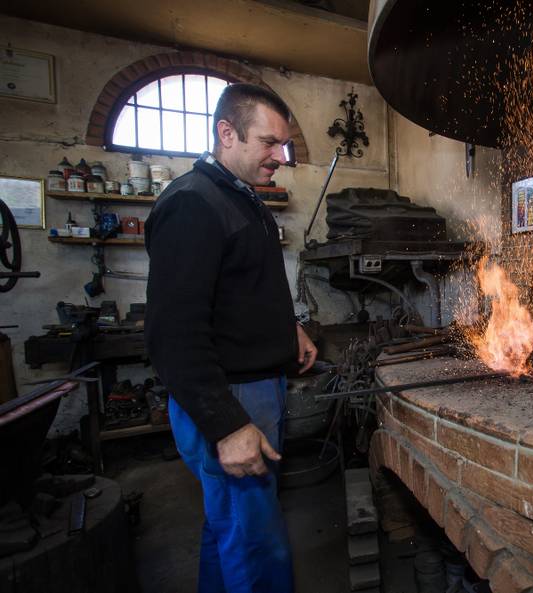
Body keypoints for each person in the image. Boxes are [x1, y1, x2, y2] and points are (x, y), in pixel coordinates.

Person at [145, 83, 317, 593]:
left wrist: (287, 328)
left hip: (255, 388)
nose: (280, 157)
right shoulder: (193, 205)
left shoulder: (237, 197)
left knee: (228, 527)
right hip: (231, 399)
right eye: (268, 142)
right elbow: (174, 334)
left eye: (283, 145)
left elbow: (236, 289)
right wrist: (227, 427)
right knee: (255, 540)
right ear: (226, 133)